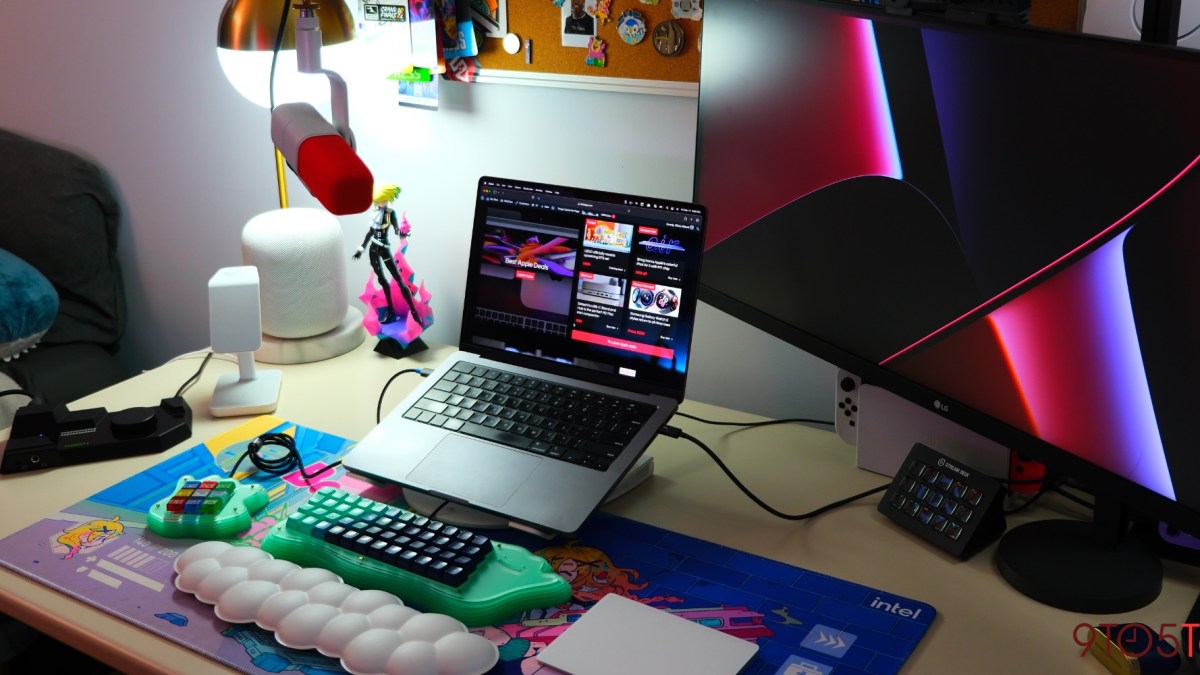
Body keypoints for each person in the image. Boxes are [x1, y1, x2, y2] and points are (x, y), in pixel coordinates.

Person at [354, 183, 420, 324]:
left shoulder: (390, 213)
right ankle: (391, 311)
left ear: (387, 199)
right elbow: (370, 232)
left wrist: (402, 232)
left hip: (384, 248)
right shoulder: (374, 214)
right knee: (382, 280)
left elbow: (396, 229)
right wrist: (361, 248)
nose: (381, 203)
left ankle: (414, 312)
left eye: (383, 200)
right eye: (379, 200)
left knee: (399, 280)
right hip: (373, 248)